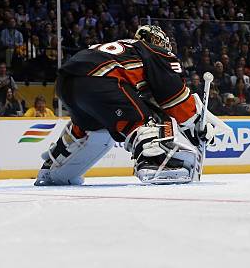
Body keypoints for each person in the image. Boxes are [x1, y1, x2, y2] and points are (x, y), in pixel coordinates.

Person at [35, 25, 230, 186]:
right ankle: (153, 161)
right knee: (146, 120)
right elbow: (174, 99)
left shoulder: (123, 49)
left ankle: (55, 167)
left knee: (91, 128)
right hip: (102, 79)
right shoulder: (154, 51)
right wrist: (197, 123)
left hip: (66, 82)